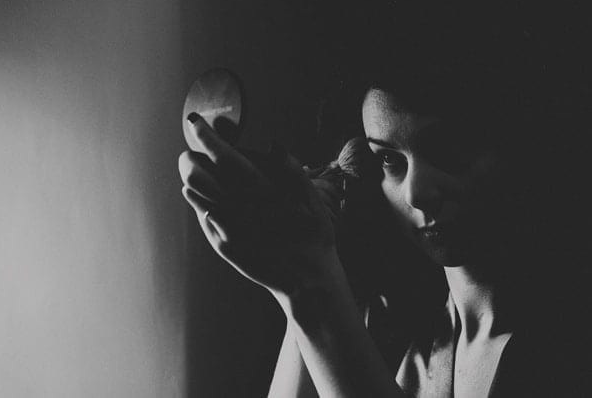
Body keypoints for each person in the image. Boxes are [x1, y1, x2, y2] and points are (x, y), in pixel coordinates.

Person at [177, 26, 590, 397]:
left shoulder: (569, 343)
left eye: (449, 150)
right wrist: (310, 277)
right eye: (390, 162)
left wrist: (310, 288)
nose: (416, 192)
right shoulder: (399, 334)